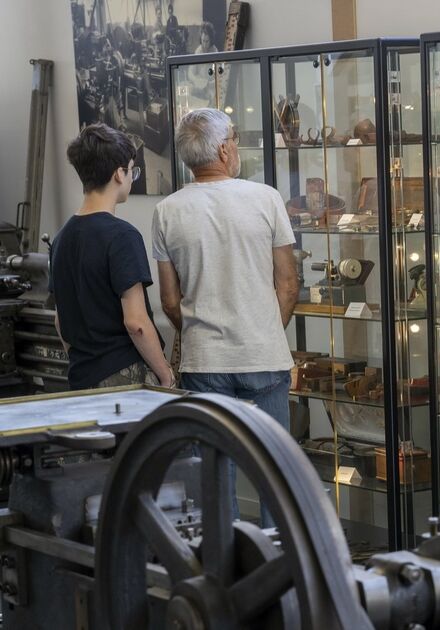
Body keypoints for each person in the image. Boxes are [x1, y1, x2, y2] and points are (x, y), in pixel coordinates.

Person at [153, 108, 298, 518]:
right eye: (233, 138)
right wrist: (265, 329)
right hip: (263, 356)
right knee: (276, 476)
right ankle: (279, 554)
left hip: (204, 360)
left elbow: (169, 301)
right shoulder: (265, 198)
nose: (235, 145)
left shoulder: (167, 211)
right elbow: (288, 284)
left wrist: (198, 331)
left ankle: (225, 555)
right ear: (223, 149)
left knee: (215, 479)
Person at [50, 124, 175, 390]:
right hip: (124, 377)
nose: (132, 178)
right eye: (132, 170)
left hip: (81, 376)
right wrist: (164, 374)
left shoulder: (61, 239)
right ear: (119, 174)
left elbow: (60, 321)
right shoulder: (122, 236)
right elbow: (136, 323)